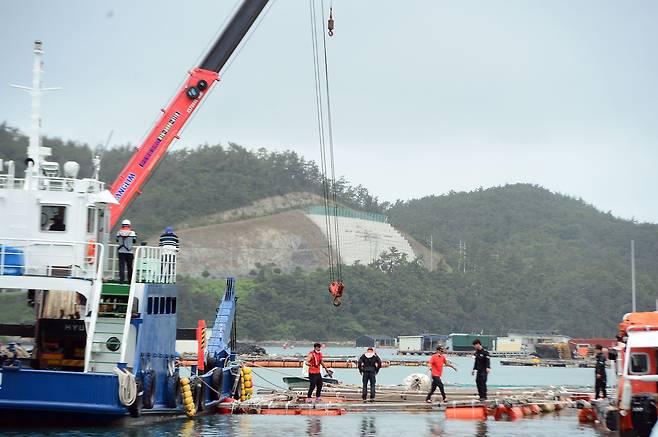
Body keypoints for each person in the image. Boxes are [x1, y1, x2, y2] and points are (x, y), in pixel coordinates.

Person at [116, 219, 137, 283]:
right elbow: (134, 241)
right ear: (129, 225)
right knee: (129, 266)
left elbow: (117, 240)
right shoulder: (132, 233)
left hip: (121, 252)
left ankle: (121, 279)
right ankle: (130, 280)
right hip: (129, 252)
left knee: (121, 266)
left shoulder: (118, 232)